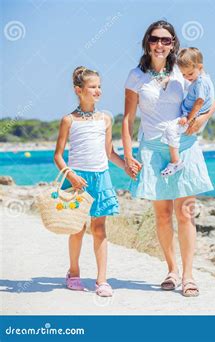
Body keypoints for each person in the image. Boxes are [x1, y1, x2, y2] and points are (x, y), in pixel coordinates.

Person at [122, 20, 215, 297]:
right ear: (146, 42)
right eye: (155, 39)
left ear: (173, 43)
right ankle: (172, 270)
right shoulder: (135, 76)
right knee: (163, 215)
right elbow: (128, 119)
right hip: (152, 148)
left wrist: (201, 119)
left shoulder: (184, 68)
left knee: (185, 213)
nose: (160, 44)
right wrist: (128, 154)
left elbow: (212, 99)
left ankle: (189, 276)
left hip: (184, 145)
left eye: (166, 40)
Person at [54, 66, 125, 297]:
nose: (98, 91)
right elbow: (58, 155)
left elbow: (109, 152)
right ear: (79, 90)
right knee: (76, 227)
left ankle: (101, 280)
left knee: (99, 228)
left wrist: (127, 167)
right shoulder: (68, 120)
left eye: (99, 86)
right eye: (93, 87)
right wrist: (71, 174)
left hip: (101, 177)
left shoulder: (105, 118)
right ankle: (73, 273)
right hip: (76, 179)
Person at [159, 47, 215, 177]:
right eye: (183, 75)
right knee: (171, 132)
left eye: (189, 74)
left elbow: (200, 102)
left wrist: (188, 118)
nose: (187, 78)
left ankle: (175, 162)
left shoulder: (200, 82)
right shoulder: (201, 79)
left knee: (170, 130)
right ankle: (175, 160)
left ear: (200, 67)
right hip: (191, 115)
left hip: (191, 117)